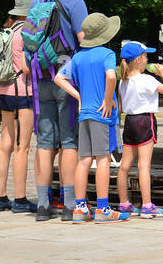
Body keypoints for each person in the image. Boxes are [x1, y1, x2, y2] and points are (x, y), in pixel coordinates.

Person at [31, 0, 90, 222]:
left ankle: (43, 206)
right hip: (66, 79)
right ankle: (69, 205)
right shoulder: (76, 2)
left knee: (44, 144)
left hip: (41, 76)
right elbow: (83, 39)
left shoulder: (39, 1)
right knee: (69, 142)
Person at [54, 12, 129, 223]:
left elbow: (59, 78)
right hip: (101, 114)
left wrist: (78, 96)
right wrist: (107, 100)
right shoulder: (106, 54)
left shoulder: (78, 57)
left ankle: (79, 208)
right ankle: (103, 209)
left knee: (84, 159)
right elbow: (111, 76)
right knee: (103, 158)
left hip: (84, 113)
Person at [114, 41, 163, 218]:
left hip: (130, 121)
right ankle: (147, 205)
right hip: (145, 120)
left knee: (124, 165)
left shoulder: (123, 82)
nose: (148, 59)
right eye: (146, 56)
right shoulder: (147, 79)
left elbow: (120, 107)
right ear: (139, 60)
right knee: (143, 165)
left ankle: (124, 203)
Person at [0, 0, 39, 213]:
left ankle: (1, 197)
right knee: (23, 147)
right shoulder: (26, 33)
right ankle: (20, 199)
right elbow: (27, 68)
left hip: (4, 92)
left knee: (5, 146)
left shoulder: (6, 31)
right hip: (24, 92)